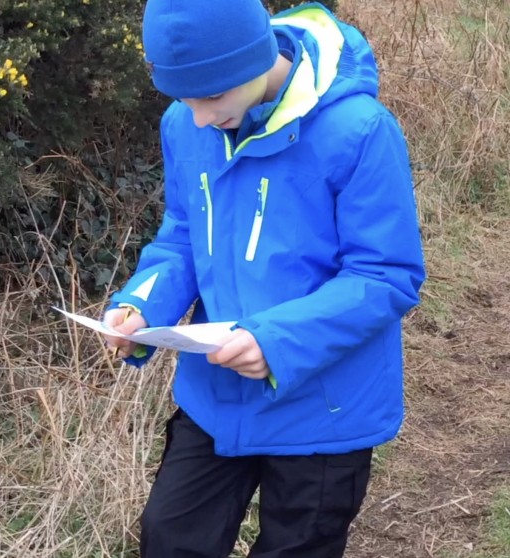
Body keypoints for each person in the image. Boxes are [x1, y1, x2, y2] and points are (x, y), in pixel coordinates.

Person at [102, 1, 426, 556]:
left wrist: (275, 342)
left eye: (211, 96)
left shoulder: (360, 131)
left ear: (255, 60)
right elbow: (183, 233)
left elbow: (386, 274)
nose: (198, 117)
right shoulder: (186, 123)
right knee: (170, 539)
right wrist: (141, 306)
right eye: (183, 97)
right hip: (217, 395)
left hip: (324, 408)